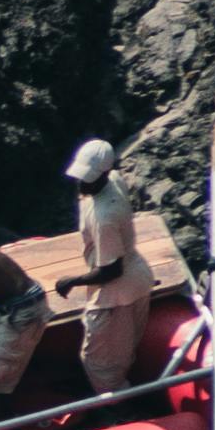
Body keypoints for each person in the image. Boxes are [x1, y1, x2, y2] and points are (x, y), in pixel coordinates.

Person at [62, 137, 159, 382]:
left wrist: (72, 281)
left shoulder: (105, 218)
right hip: (134, 276)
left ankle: (118, 406)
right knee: (122, 349)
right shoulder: (114, 181)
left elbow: (111, 270)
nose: (83, 183)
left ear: (103, 174)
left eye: (89, 178)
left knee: (100, 361)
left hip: (118, 292)